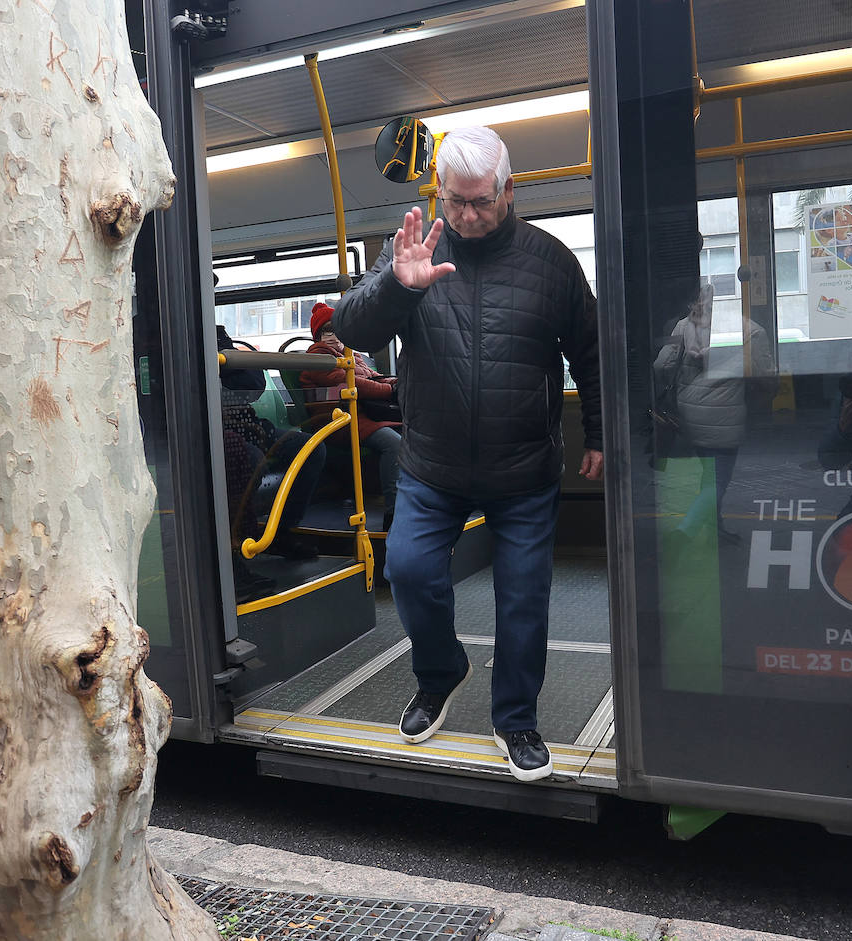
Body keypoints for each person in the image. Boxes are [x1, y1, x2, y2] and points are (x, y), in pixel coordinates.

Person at [331, 125, 602, 782]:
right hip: (433, 465)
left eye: (483, 201)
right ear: (440, 192)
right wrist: (400, 286)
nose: (470, 215)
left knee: (523, 600)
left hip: (523, 470)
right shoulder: (415, 252)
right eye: (458, 201)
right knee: (411, 571)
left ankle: (515, 718)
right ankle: (441, 671)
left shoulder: (551, 260)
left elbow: (590, 351)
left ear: (509, 190)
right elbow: (349, 326)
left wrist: (598, 432)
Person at [653, 281, 776, 545]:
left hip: (687, 415)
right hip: (725, 418)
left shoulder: (684, 325)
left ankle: (714, 530)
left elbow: (662, 365)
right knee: (717, 481)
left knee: (708, 477)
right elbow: (765, 378)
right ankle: (684, 533)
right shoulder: (749, 331)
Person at [217, 324, 326, 592]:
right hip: (212, 429)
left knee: (309, 447)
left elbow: (252, 384)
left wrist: (223, 362)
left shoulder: (215, 332)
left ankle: (281, 531)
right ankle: (234, 549)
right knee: (250, 458)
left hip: (247, 423)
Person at [300, 301, 404, 530]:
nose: (333, 335)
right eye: (326, 330)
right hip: (337, 420)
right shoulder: (318, 357)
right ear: (318, 335)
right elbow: (347, 381)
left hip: (360, 415)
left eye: (336, 329)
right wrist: (390, 390)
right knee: (394, 444)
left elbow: (372, 377)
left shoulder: (351, 355)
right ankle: (394, 514)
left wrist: (396, 382)